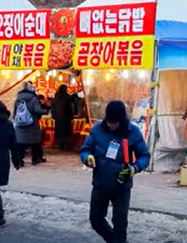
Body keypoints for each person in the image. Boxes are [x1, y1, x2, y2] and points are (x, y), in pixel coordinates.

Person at [81, 101, 151, 243]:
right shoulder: (97, 129)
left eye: (115, 122)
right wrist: (87, 158)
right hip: (101, 183)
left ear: (122, 119)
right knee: (96, 220)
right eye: (109, 121)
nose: (112, 125)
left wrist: (135, 168)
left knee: (120, 225)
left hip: (121, 185)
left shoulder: (132, 132)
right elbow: (86, 148)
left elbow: (144, 155)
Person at [14, 81, 45, 166]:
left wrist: (16, 120)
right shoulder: (33, 98)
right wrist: (44, 111)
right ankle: (35, 159)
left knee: (21, 142)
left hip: (20, 123)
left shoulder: (18, 98)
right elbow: (37, 110)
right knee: (34, 142)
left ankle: (20, 160)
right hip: (32, 123)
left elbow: (15, 111)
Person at [52, 84, 75, 151]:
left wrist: (54, 115)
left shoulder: (56, 97)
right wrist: (71, 116)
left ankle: (60, 144)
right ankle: (66, 145)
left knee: (59, 131)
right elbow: (70, 108)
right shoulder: (67, 97)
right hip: (66, 117)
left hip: (58, 117)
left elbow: (53, 107)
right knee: (66, 132)